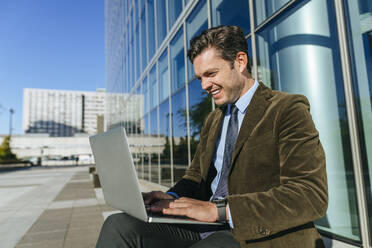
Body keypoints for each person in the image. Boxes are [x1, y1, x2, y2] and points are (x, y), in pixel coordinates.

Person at [96, 25, 328, 248]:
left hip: (254, 233)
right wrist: (170, 196)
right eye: (200, 78)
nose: (205, 85)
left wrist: (219, 210)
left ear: (240, 61)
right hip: (204, 226)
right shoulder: (214, 119)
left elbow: (310, 195)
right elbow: (196, 175)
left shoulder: (287, 109)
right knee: (118, 225)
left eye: (211, 74)